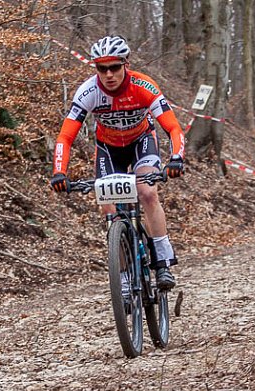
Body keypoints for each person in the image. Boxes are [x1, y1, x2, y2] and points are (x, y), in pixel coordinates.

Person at [49, 35, 185, 290]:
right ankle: (122, 276)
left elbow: (173, 127)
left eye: (114, 67)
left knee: (147, 193)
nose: (109, 74)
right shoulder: (89, 92)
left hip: (142, 142)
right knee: (110, 211)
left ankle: (163, 261)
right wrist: (59, 171)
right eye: (102, 68)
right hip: (109, 150)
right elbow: (65, 137)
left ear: (126, 64)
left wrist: (176, 158)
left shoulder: (144, 86)